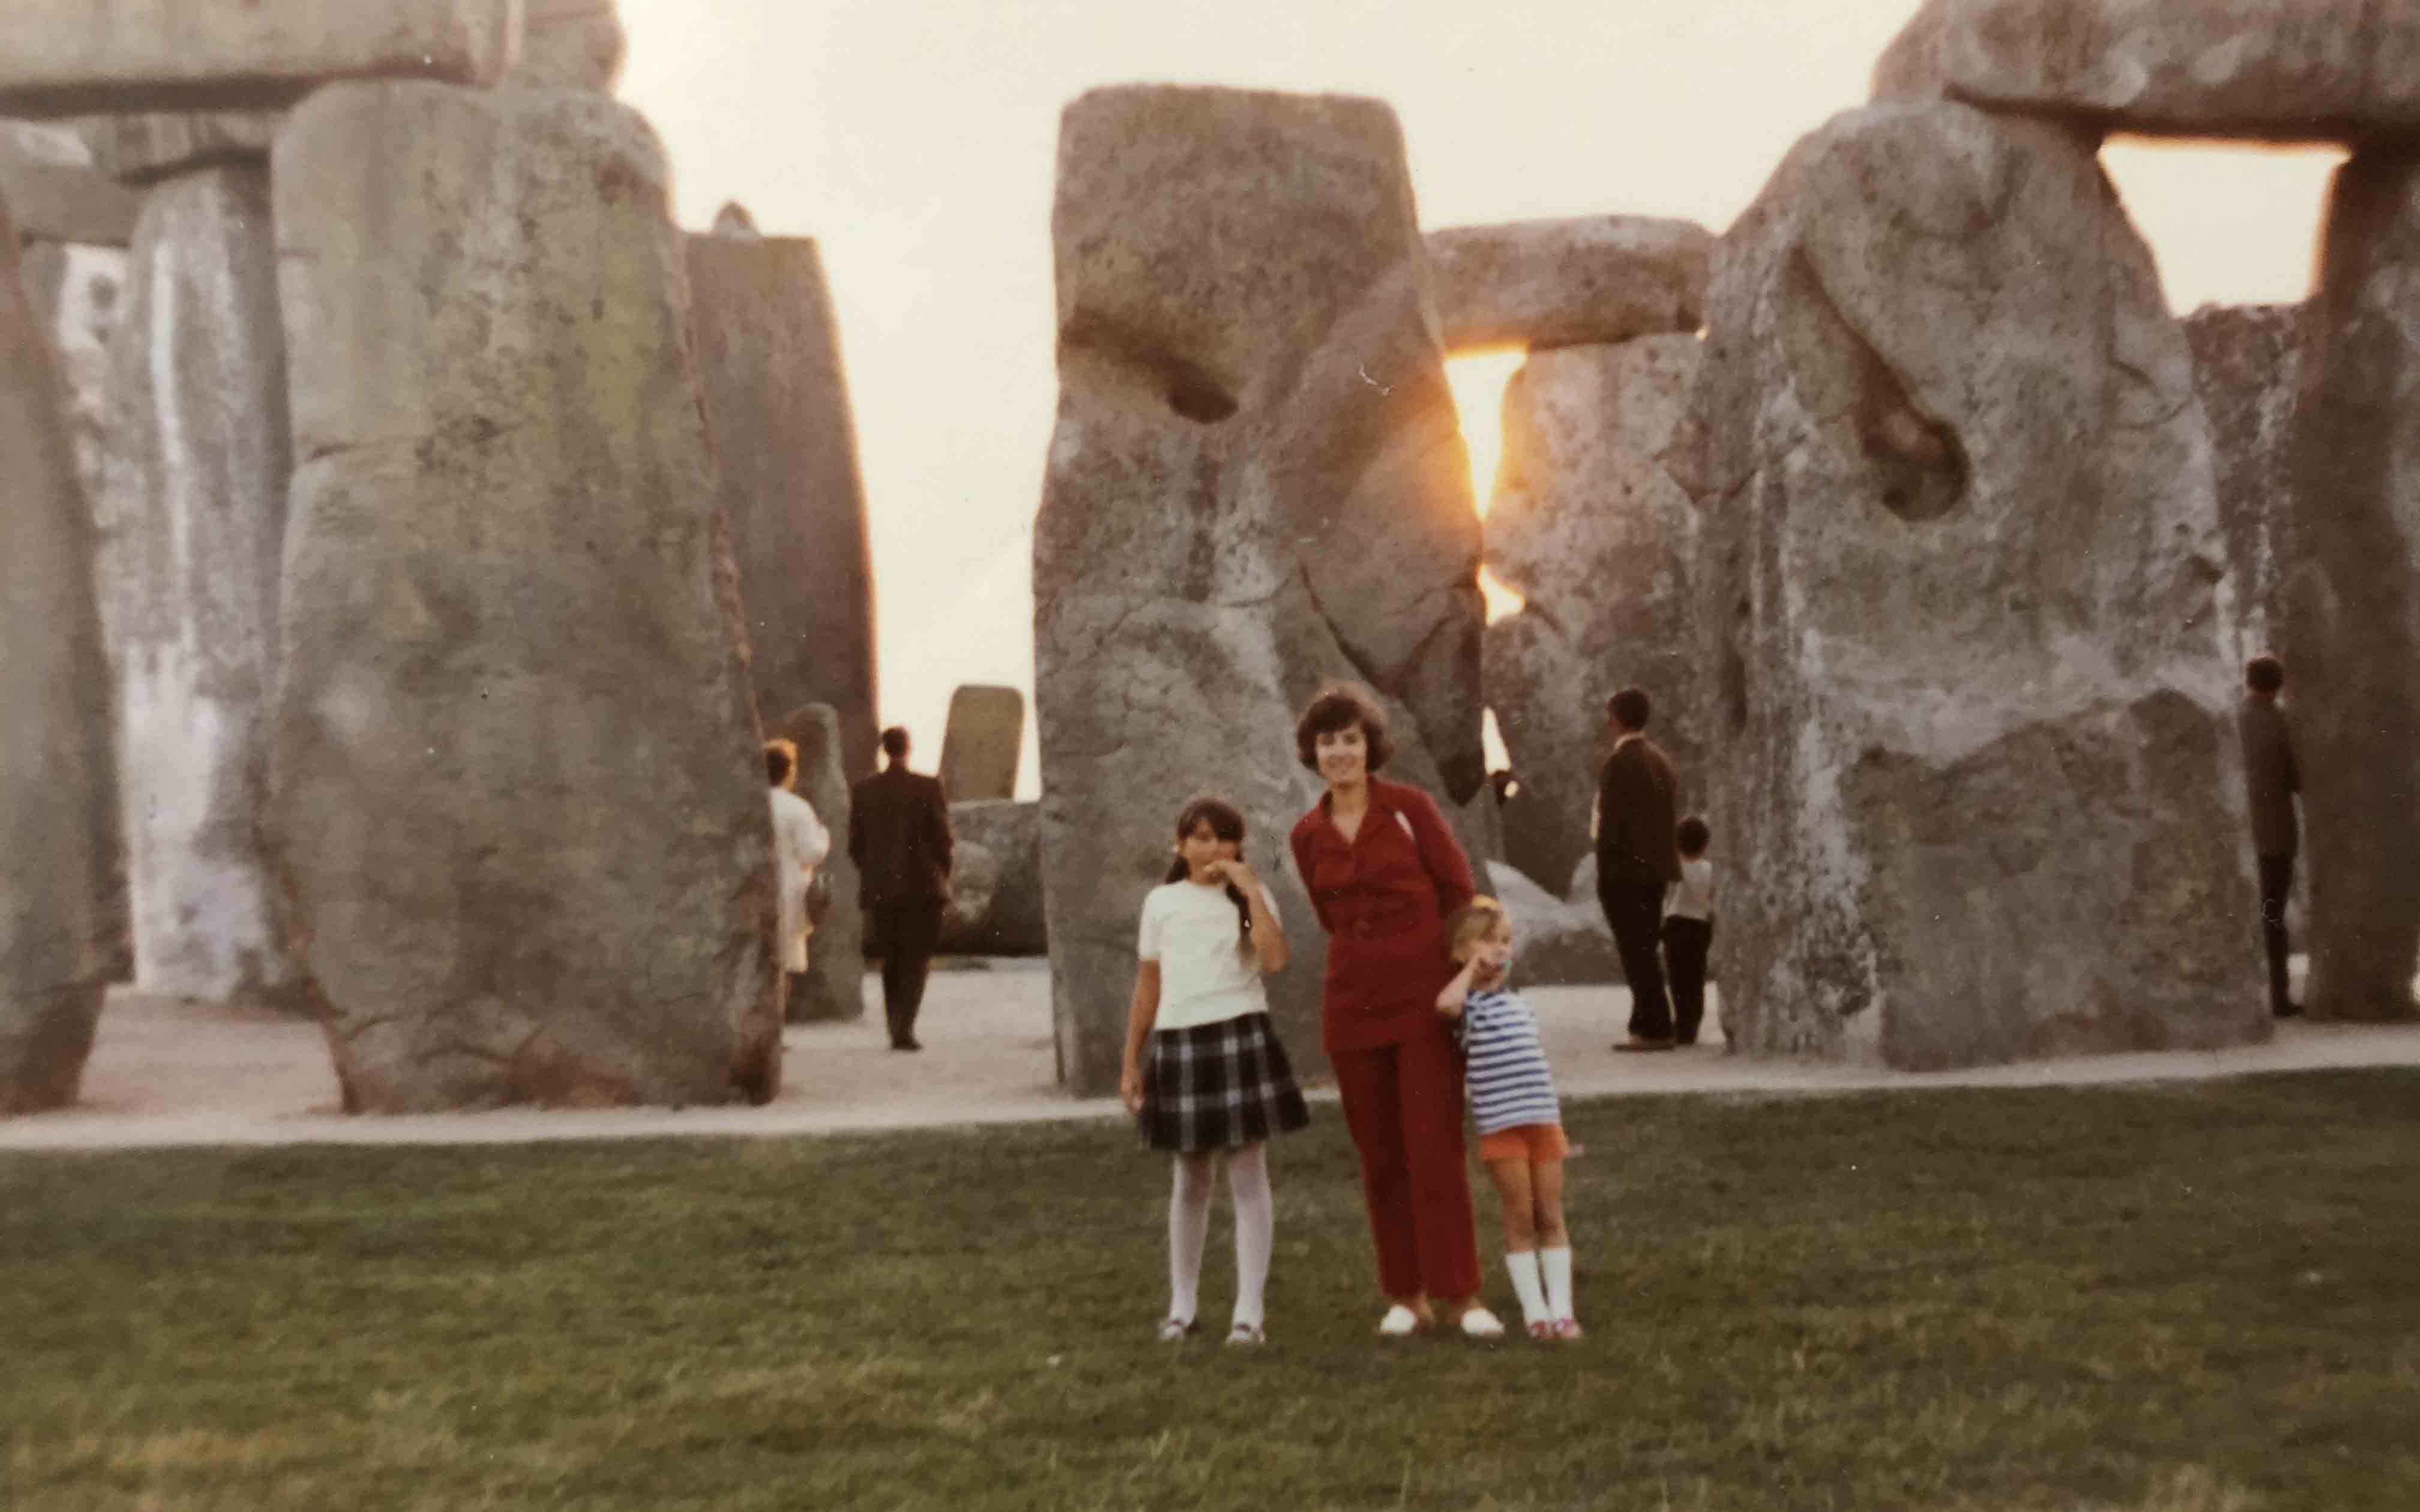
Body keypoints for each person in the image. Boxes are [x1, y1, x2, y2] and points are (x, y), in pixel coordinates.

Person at [1288, 683, 1505, 1340]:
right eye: (1328, 742)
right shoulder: (1307, 834)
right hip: (1352, 1005)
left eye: (1350, 739)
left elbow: (1460, 895)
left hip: (1424, 1003)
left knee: (1433, 1147)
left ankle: (1462, 1295)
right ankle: (1405, 1296)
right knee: (1381, 1156)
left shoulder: (1410, 810)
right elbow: (1329, 917)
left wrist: (1467, 976)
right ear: (1314, 753)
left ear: (1370, 746)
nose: (1340, 752)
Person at [1119, 796, 1308, 1347]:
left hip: (1239, 1033)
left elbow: (1273, 960)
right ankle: (1183, 1304)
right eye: (1198, 837)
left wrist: (1251, 891)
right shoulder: (1162, 902)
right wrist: (1132, 1061)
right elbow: (1148, 985)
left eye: (1222, 837)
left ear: (1237, 846)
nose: (1210, 848)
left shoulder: (1249, 898)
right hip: (1180, 1040)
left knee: (1248, 1172)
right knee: (1191, 1175)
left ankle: (1249, 1311)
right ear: (1180, 846)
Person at [1436, 897, 1581, 1342]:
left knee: (1550, 1215)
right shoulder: (1469, 1009)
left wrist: (1489, 961)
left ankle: (1562, 1312)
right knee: (1520, 1217)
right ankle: (1535, 1314)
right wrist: (1469, 970)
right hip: (1502, 1128)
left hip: (1542, 1122)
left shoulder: (1518, 1003)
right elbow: (1445, 1006)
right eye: (1487, 944)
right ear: (1462, 953)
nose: (1499, 952)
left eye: (1504, 943)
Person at [849, 727, 953, 1050]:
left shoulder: (864, 790)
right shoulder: (928, 787)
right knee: (917, 958)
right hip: (923, 886)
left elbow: (855, 843)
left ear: (883, 749)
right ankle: (904, 1025)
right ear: (909, 748)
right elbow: (942, 839)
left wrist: (871, 872)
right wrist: (943, 873)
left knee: (891, 958)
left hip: (881, 887)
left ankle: (896, 1022)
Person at [1594, 687, 1682, 1052]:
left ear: (1615, 719)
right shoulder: (1660, 759)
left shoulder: (1619, 763)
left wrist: (1604, 871)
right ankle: (1648, 1021)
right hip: (1655, 871)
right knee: (1644, 947)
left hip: (1625, 873)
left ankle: (1654, 1027)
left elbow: (1610, 825)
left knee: (1636, 950)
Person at [2238, 655, 2302, 1019]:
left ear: (2248, 680)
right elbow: (2298, 779)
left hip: (2243, 836)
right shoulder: (2283, 723)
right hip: (2277, 836)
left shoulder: (2235, 720)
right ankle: (2278, 998)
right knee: (2273, 917)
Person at [765, 740, 831, 1002]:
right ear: (789, 771)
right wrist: (824, 836)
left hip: (752, 894)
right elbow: (810, 853)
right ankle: (775, 1030)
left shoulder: (749, 804)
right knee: (784, 967)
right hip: (789, 894)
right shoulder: (797, 808)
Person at [1662, 815, 1716, 1048]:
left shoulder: (1673, 868)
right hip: (1700, 925)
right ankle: (1691, 1025)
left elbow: (1667, 897)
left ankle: (1681, 1023)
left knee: (1677, 978)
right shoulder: (1710, 870)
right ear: (1705, 844)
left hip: (1675, 924)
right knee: (1696, 978)